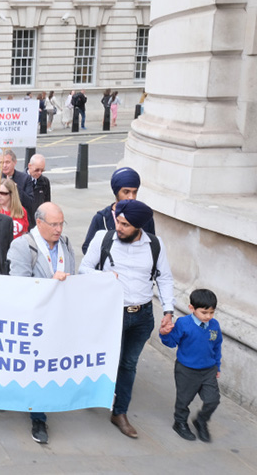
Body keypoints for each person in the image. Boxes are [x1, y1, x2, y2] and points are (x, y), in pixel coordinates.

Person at [79, 199, 175, 439]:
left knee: (129, 364)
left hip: (142, 315)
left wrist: (168, 311)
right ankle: (94, 393)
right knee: (105, 358)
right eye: (118, 221)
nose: (119, 227)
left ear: (139, 227)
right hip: (111, 313)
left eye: (125, 225)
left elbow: (164, 278)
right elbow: (83, 268)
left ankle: (119, 412)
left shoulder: (155, 244)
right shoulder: (103, 238)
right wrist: (105, 276)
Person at [8, 202, 77, 444]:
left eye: (61, 223)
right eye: (54, 224)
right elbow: (19, 286)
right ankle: (38, 417)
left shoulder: (66, 244)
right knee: (35, 367)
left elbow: (73, 277)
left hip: (58, 319)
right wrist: (51, 283)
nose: (59, 229)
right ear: (39, 222)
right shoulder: (22, 246)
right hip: (34, 321)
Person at [159, 288, 222, 442]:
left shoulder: (214, 325)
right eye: (204, 312)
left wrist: (217, 366)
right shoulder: (183, 323)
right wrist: (164, 333)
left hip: (208, 369)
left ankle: (201, 420)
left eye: (211, 312)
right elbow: (172, 342)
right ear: (192, 308)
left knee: (213, 399)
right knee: (184, 399)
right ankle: (179, 422)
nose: (208, 316)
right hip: (186, 370)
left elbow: (217, 346)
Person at [82, 167, 155, 254]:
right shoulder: (102, 218)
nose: (131, 197)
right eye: (126, 192)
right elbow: (87, 248)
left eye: (134, 192)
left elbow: (152, 247)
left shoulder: (145, 218)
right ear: (116, 192)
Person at [0, 149, 35, 219]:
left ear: (15, 162)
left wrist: (16, 188)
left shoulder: (25, 178)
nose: (4, 165)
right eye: (1, 162)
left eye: (7, 162)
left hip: (18, 218)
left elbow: (30, 203)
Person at [27, 154, 51, 227]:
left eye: (42, 170)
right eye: (37, 170)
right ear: (29, 166)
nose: (40, 173)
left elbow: (47, 203)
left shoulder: (45, 181)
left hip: (38, 222)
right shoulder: (21, 180)